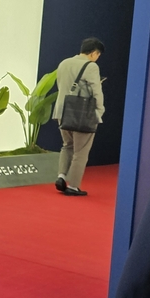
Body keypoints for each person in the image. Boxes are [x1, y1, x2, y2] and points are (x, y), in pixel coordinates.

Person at [52, 37, 105, 197]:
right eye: (98, 55)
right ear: (94, 53)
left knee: (67, 145)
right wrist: (99, 110)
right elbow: (96, 91)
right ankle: (73, 186)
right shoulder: (91, 66)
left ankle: (61, 176)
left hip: (62, 112)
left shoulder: (64, 63)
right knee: (80, 152)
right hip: (82, 113)